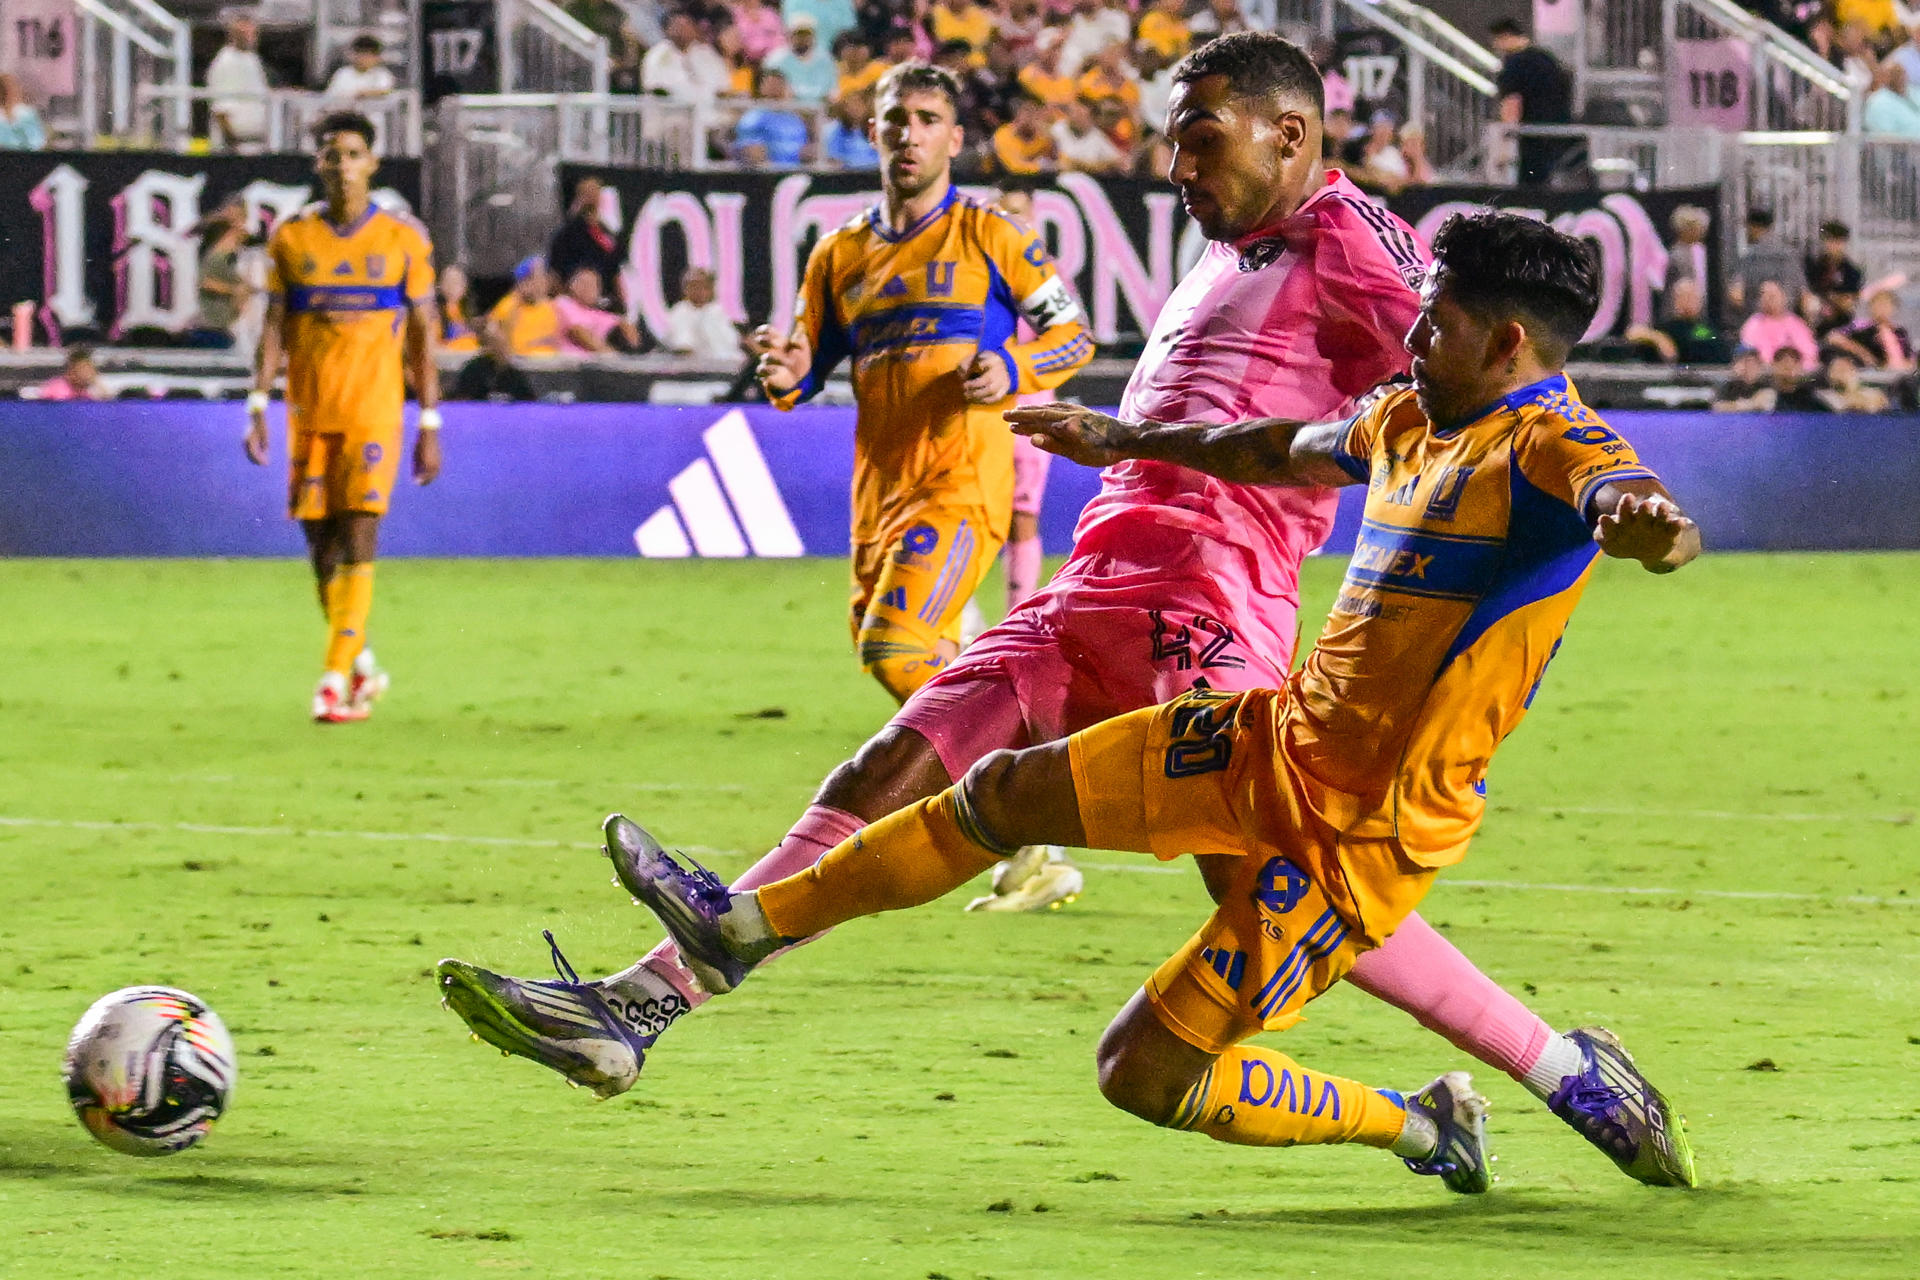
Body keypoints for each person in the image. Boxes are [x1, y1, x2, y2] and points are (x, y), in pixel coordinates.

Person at [436, 39, 1695, 1196]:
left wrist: (1593, 489)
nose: (1177, 161)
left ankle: (1546, 1070)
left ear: (1292, 137)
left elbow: (1483, 361)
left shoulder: (1361, 245)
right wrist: (1115, 432)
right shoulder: (1236, 248)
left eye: (1204, 135)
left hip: (1207, 604)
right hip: (1101, 579)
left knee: (1293, 891)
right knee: (903, 759)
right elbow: (1278, 419)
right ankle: (640, 1004)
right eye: (1174, 136)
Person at [751, 61, 1092, 704]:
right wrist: (787, 374)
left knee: (893, 648)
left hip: (960, 485)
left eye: (928, 121)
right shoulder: (837, 255)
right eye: (897, 121)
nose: (910, 135)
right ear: (874, 131)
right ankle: (994, 780)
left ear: (955, 140)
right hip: (877, 497)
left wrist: (1013, 367)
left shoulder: (994, 235)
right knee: (913, 673)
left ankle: (1025, 766)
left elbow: (1074, 335)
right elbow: (804, 367)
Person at [243, 111, 442, 724]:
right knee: (320, 550)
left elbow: (423, 337)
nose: (342, 165)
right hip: (309, 412)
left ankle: (332, 681)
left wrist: (429, 422)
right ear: (318, 164)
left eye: (353, 153)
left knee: (359, 536)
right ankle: (362, 665)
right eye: (332, 155)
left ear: (372, 163)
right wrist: (257, 403)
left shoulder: (405, 240)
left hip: (374, 414)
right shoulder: (293, 239)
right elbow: (275, 325)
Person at [1490, 18, 1573, 186]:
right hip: (1558, 132)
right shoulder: (1547, 59)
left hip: (1530, 135)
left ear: (1504, 37)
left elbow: (1512, 103)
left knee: (1530, 184)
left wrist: (1506, 137)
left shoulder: (1514, 64)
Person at [548, 176, 623, 308]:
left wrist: (622, 303)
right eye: (587, 192)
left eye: (594, 192)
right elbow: (555, 272)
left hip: (602, 302)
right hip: (573, 301)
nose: (592, 197)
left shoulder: (607, 234)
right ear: (579, 196)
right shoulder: (567, 233)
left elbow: (615, 271)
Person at [1625, 278, 1730, 364]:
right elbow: (1633, 333)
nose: (1688, 301)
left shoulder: (1707, 330)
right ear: (1675, 299)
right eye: (1683, 296)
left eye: (1692, 296)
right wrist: (1659, 338)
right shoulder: (1665, 328)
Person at [206, 15, 270, 151]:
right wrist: (234, 144)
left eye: (253, 32)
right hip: (234, 146)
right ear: (233, 35)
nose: (251, 36)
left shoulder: (253, 59)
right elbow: (220, 109)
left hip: (256, 143)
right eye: (244, 33)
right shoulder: (224, 62)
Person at [191, 207, 252, 348]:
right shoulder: (216, 257)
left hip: (226, 327)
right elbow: (205, 283)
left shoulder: (230, 260)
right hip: (214, 330)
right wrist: (235, 290)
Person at [1728, 208, 1804, 315]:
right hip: (1786, 320)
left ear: (1753, 227)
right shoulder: (1789, 255)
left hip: (1757, 320)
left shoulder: (1748, 257)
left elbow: (1736, 295)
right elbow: (1803, 293)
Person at [643, 12, 731, 103]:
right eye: (678, 26)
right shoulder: (658, 54)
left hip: (707, 110)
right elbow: (655, 88)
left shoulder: (706, 53)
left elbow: (722, 84)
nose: (683, 30)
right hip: (671, 111)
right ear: (668, 29)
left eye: (687, 26)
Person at [488, 257, 564, 356]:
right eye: (535, 278)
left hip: (553, 362)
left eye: (543, 277)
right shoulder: (509, 304)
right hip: (523, 363)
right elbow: (491, 331)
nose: (541, 282)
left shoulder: (553, 306)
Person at [732, 68, 811, 164]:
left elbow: (806, 150)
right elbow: (752, 152)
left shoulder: (795, 119)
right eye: (772, 85)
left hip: (800, 173)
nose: (776, 89)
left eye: (780, 84)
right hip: (767, 174)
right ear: (761, 89)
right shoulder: (752, 118)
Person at [555, 266, 640, 354]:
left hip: (593, 363)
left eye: (594, 285)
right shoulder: (564, 302)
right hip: (567, 363)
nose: (588, 289)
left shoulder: (594, 313)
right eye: (584, 283)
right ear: (572, 286)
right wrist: (613, 356)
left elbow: (623, 323)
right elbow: (579, 332)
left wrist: (634, 346)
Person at [663, 266, 743, 359]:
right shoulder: (680, 312)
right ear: (685, 290)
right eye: (693, 286)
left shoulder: (717, 311)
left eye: (703, 286)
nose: (698, 290)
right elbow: (683, 344)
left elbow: (731, 341)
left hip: (726, 364)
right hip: (695, 367)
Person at [1739, 279, 1819, 363]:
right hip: (1766, 372)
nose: (1768, 299)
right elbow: (1751, 354)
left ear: (1783, 297)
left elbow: (1810, 352)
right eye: (1764, 295)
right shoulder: (1753, 324)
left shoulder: (1796, 323)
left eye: (1772, 296)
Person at [1835, 287, 1915, 369]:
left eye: (1886, 304)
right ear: (1871, 307)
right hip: (1876, 371)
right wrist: (1863, 353)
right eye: (1877, 304)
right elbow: (1835, 337)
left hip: (1902, 371)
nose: (1882, 309)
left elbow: (1910, 355)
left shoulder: (1900, 331)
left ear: (1893, 308)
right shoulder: (1861, 328)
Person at [765, 15, 837, 103]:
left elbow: (832, 90)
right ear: (790, 36)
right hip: (786, 109)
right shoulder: (776, 60)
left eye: (806, 35)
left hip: (820, 111)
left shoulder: (825, 60)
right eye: (798, 35)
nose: (802, 39)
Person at [1052, 96, 1127, 173]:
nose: (1076, 117)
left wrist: (1083, 165)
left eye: (1081, 114)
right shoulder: (1058, 129)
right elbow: (1060, 162)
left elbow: (1119, 162)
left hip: (1087, 179)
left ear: (1093, 119)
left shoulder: (1097, 136)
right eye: (1074, 112)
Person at [992, 91, 1058, 173]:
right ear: (1018, 115)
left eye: (1036, 114)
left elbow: (1057, 160)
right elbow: (1015, 167)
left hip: (1041, 178)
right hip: (1008, 181)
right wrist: (1040, 167)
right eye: (1028, 113)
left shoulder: (1043, 135)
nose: (1033, 118)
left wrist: (1053, 140)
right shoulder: (1003, 135)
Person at [1663, 205, 1712, 312]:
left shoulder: (1700, 250)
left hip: (1699, 309)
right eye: (1695, 227)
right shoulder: (1676, 255)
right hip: (1680, 313)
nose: (1700, 231)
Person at [325, 35, 396, 103]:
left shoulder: (383, 75)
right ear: (353, 55)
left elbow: (385, 91)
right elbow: (330, 97)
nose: (364, 59)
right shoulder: (342, 74)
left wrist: (363, 94)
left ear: (377, 57)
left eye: (369, 55)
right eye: (361, 53)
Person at [824, 88, 882, 167]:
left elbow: (882, 157)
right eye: (849, 105)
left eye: (858, 104)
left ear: (865, 106)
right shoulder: (835, 131)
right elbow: (834, 159)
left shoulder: (877, 129)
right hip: (845, 175)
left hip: (873, 174)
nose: (854, 109)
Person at [1818, 352, 1889, 412]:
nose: (1844, 373)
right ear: (1831, 375)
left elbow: (1877, 407)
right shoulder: (1827, 396)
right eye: (1840, 370)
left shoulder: (1874, 394)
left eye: (1848, 369)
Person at [1766, 346, 1829, 412]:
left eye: (1794, 362)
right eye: (1782, 361)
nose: (1788, 366)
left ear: (1800, 367)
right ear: (1773, 365)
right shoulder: (1763, 392)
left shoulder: (1810, 396)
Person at [1711, 345, 1772, 411]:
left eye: (1752, 363)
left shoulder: (1767, 385)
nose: (1747, 367)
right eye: (1742, 362)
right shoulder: (1728, 386)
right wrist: (1750, 404)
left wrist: (1733, 406)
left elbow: (1766, 403)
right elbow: (1718, 407)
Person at [437, 264, 481, 354]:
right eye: (447, 281)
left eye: (456, 282)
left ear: (465, 286)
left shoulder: (470, 312)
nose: (451, 286)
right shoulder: (435, 314)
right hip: (450, 360)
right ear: (440, 286)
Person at [36, 347, 106, 400]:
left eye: (90, 370)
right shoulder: (55, 390)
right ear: (71, 372)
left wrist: (96, 382)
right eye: (83, 370)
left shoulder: (85, 394)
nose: (88, 374)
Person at [0, 74, 47, 150]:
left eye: (12, 90)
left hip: (26, 157)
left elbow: (38, 141)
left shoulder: (28, 114)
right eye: (4, 90)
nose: (9, 94)